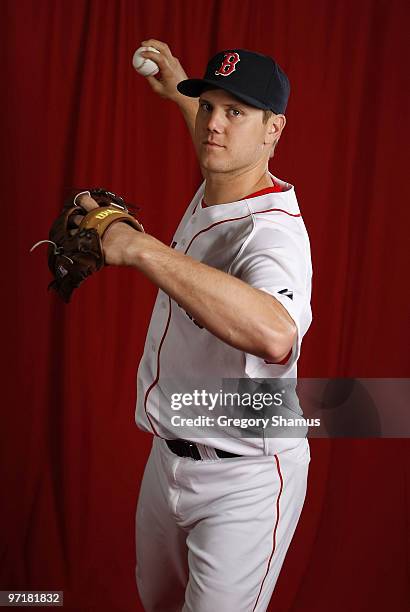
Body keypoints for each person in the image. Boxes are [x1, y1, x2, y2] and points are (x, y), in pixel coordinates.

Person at [77, 40, 313, 612]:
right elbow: (220, 145)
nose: (214, 125)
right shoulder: (226, 177)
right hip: (167, 462)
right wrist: (183, 90)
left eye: (237, 112)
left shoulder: (272, 237)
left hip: (245, 482)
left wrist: (140, 249)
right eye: (209, 107)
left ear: (273, 130)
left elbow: (277, 332)